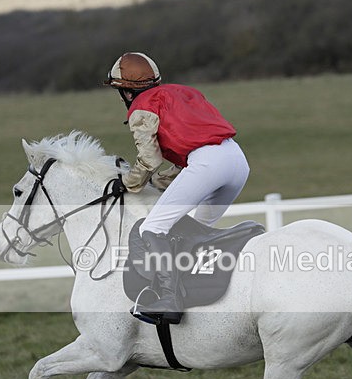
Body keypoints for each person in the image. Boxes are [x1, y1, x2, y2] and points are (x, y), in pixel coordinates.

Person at [104, 52, 250, 324]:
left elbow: (149, 159)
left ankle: (170, 299)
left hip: (207, 164)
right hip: (236, 160)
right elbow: (188, 151)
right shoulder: (183, 92)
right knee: (197, 230)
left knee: (151, 228)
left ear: (125, 91)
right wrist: (158, 184)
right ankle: (201, 291)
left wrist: (126, 183)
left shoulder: (141, 107)